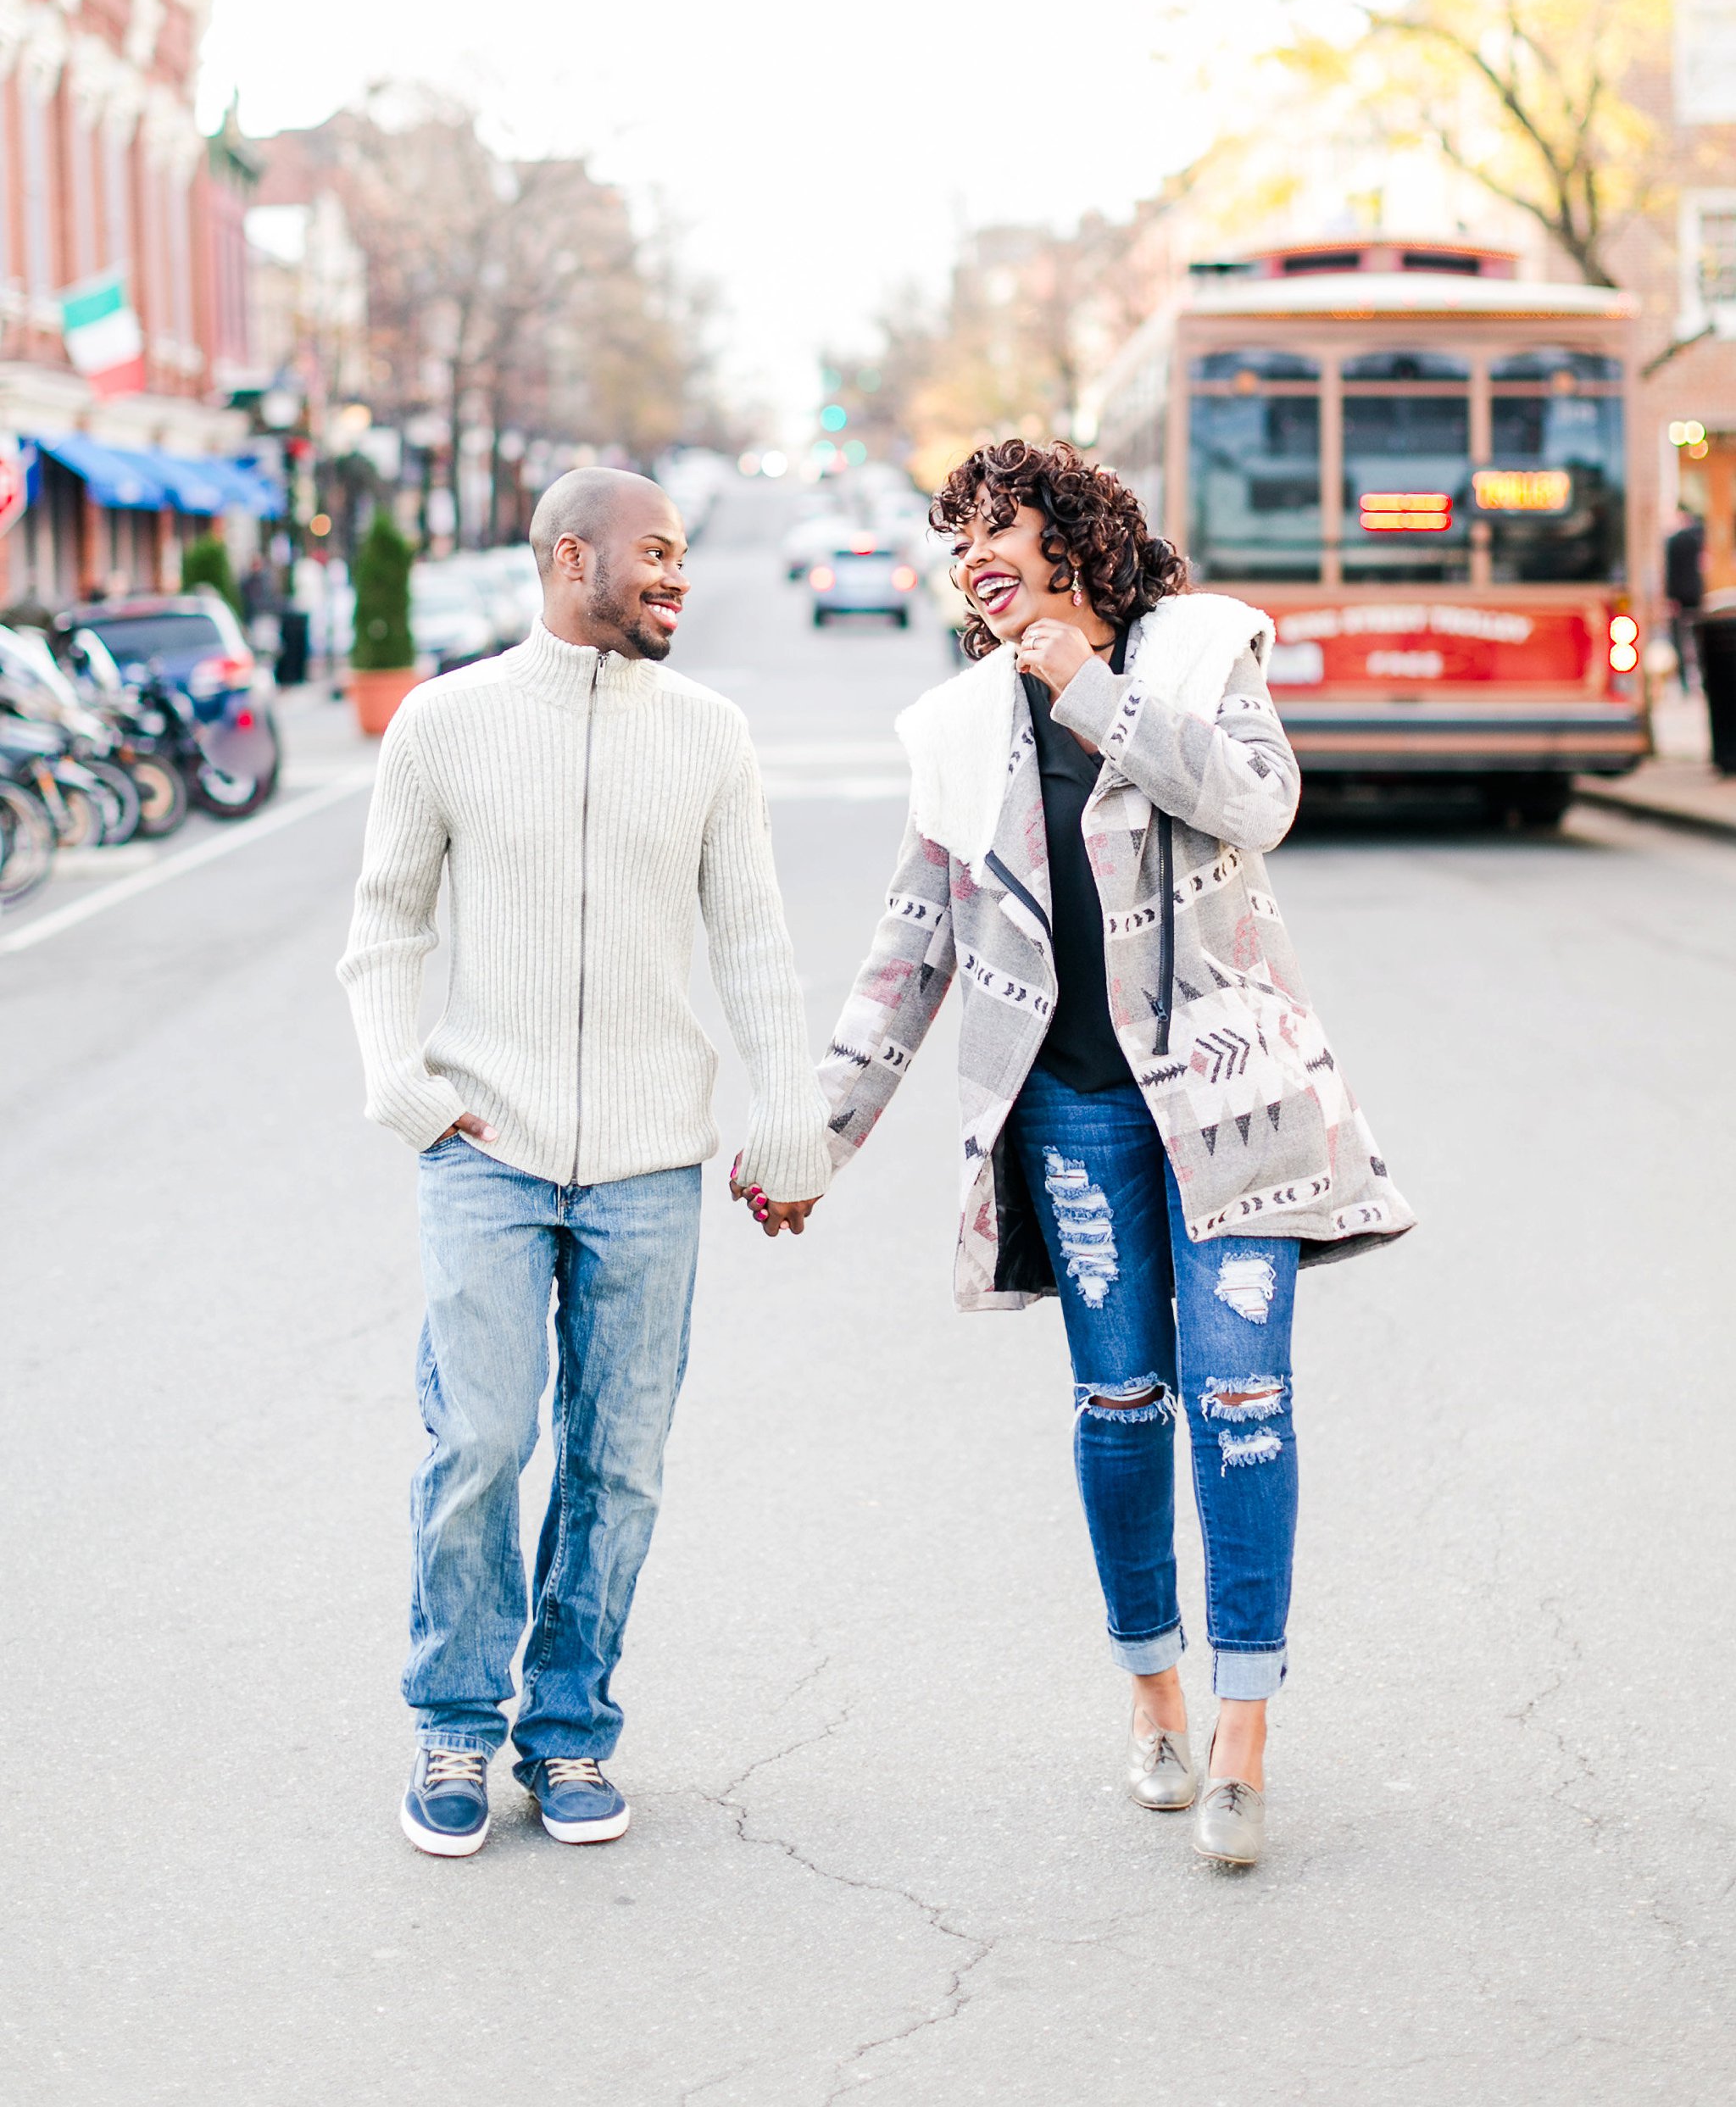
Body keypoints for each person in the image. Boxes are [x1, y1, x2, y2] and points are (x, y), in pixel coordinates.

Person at [803, 439, 1412, 1869]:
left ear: (1070, 531)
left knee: (1241, 1390)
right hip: (1073, 1111)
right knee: (1124, 1399)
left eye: (992, 526)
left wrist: (1087, 682)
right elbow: (909, 952)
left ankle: (1241, 1733)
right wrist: (813, 1141)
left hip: (1231, 1098)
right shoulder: (958, 729)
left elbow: (1258, 804)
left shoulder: (1199, 656)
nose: (970, 558)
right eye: (954, 543)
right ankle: (1151, 1687)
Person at [339, 470, 828, 1859]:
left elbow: (751, 940)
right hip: (483, 1147)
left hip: (647, 1160)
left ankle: (566, 1733)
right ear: (571, 556)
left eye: (679, 556)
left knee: (618, 1463)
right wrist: (401, 1078)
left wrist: (787, 1116)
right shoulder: (445, 721)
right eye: (655, 555)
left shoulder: (709, 734)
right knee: (483, 1438)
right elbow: (384, 922)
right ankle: (451, 1721)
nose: (676, 577)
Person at [1664, 513, 1704, 692]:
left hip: (1678, 594)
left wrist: (1670, 596)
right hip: (1694, 593)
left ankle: (1684, 682)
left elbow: (1670, 572)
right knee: (1696, 635)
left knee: (1679, 637)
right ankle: (1701, 674)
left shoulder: (1672, 542)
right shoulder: (1695, 541)